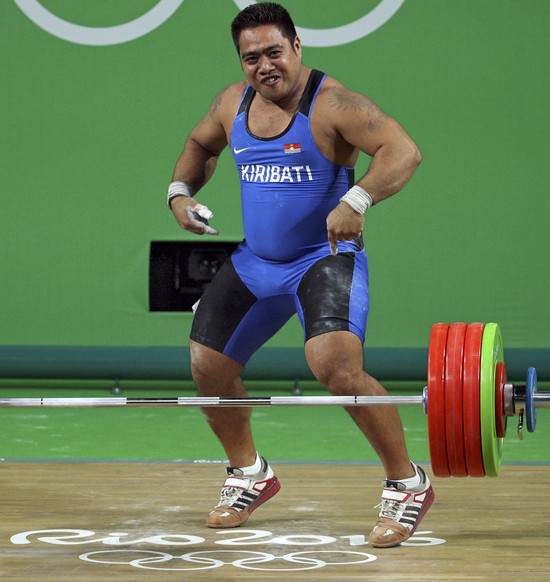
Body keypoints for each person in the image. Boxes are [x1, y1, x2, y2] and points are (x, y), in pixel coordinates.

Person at [167, 2, 433, 548]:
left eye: (273, 52)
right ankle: (249, 474)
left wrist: (358, 197)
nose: (264, 65)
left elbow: (402, 150)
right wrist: (180, 194)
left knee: (334, 364)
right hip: (257, 263)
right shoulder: (230, 103)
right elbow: (200, 145)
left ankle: (407, 483)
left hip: (324, 256)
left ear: (296, 47)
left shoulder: (332, 103)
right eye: (250, 58)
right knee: (207, 368)